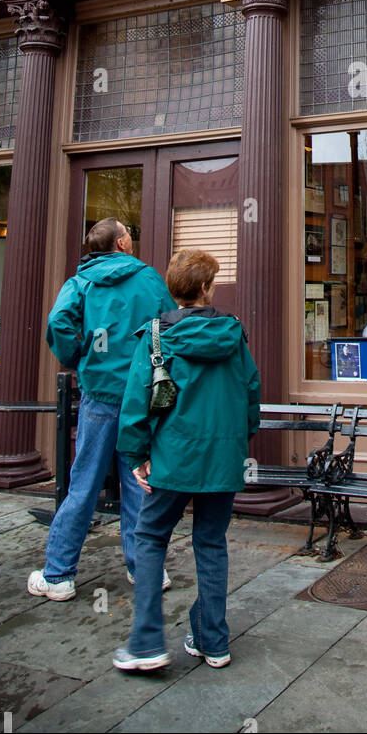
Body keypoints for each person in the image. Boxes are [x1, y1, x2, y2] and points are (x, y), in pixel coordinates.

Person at [113, 249, 261, 672]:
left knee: (151, 536)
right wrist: (237, 441)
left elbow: (136, 401)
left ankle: (145, 642)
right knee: (211, 542)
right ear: (205, 289)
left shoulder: (156, 336)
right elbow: (251, 390)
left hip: (171, 458)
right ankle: (213, 640)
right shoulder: (233, 333)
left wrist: (137, 455)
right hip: (221, 458)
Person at [28, 218, 175, 602]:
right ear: (122, 242)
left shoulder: (81, 282)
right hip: (139, 393)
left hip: (99, 393)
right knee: (138, 482)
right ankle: (145, 569)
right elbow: (170, 325)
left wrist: (79, 358)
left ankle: (58, 574)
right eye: (129, 234)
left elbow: (59, 324)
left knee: (84, 484)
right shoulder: (148, 278)